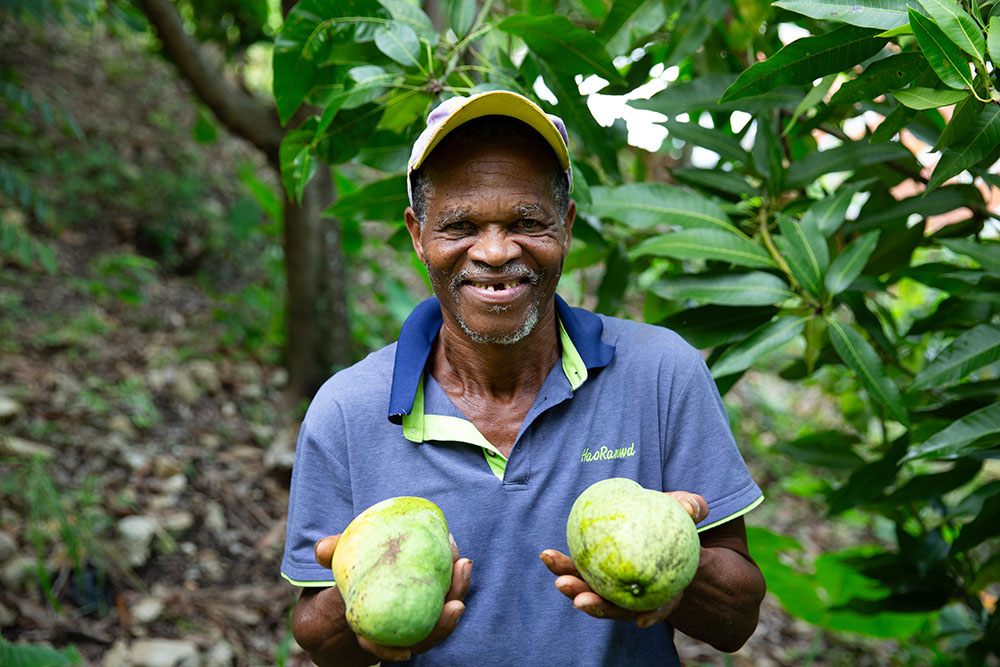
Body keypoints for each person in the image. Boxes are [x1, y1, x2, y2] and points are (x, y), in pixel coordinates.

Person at [280, 90, 766, 666]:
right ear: (417, 234)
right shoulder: (346, 408)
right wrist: (367, 588)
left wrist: (667, 558)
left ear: (565, 226)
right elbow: (315, 634)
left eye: (526, 221)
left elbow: (737, 618)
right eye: (460, 225)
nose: (493, 252)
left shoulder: (662, 373)